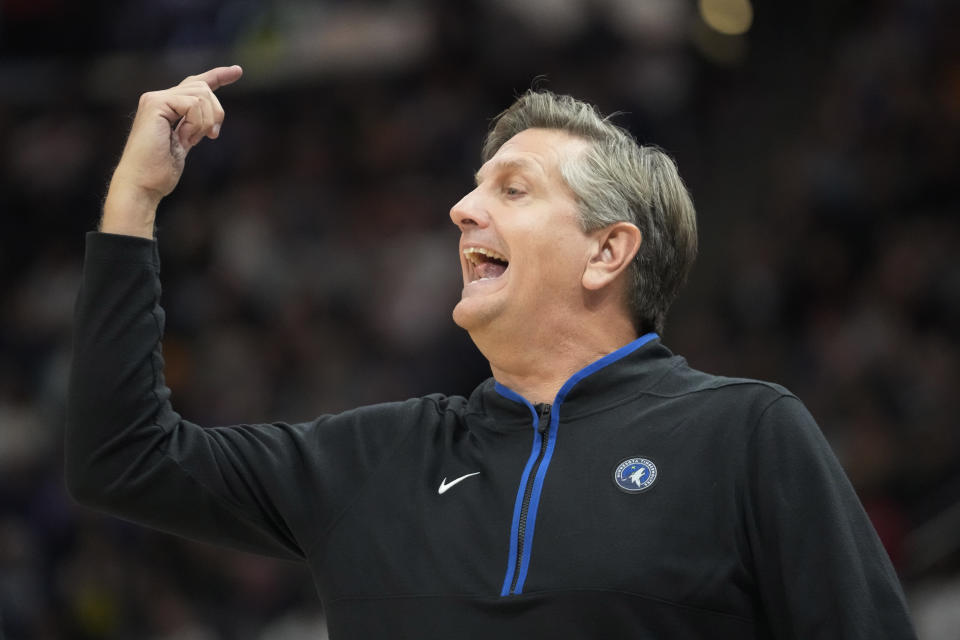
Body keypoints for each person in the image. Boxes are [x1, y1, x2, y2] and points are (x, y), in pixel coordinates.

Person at [66, 66, 917, 638]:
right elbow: (121, 458)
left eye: (512, 189)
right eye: (473, 188)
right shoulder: (372, 459)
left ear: (606, 252)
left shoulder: (747, 435)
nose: (462, 211)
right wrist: (136, 196)